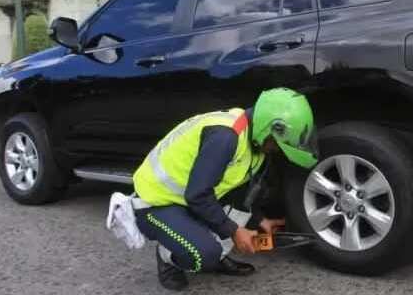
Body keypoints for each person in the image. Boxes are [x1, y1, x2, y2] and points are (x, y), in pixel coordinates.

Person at [132, 88, 318, 291]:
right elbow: (198, 195)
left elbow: (239, 190)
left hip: (188, 198)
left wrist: (259, 221)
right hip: (156, 202)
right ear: (269, 129)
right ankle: (167, 258)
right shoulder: (225, 138)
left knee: (247, 197)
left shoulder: (254, 140)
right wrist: (235, 231)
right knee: (202, 254)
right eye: (278, 146)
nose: (277, 151)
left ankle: (217, 256)